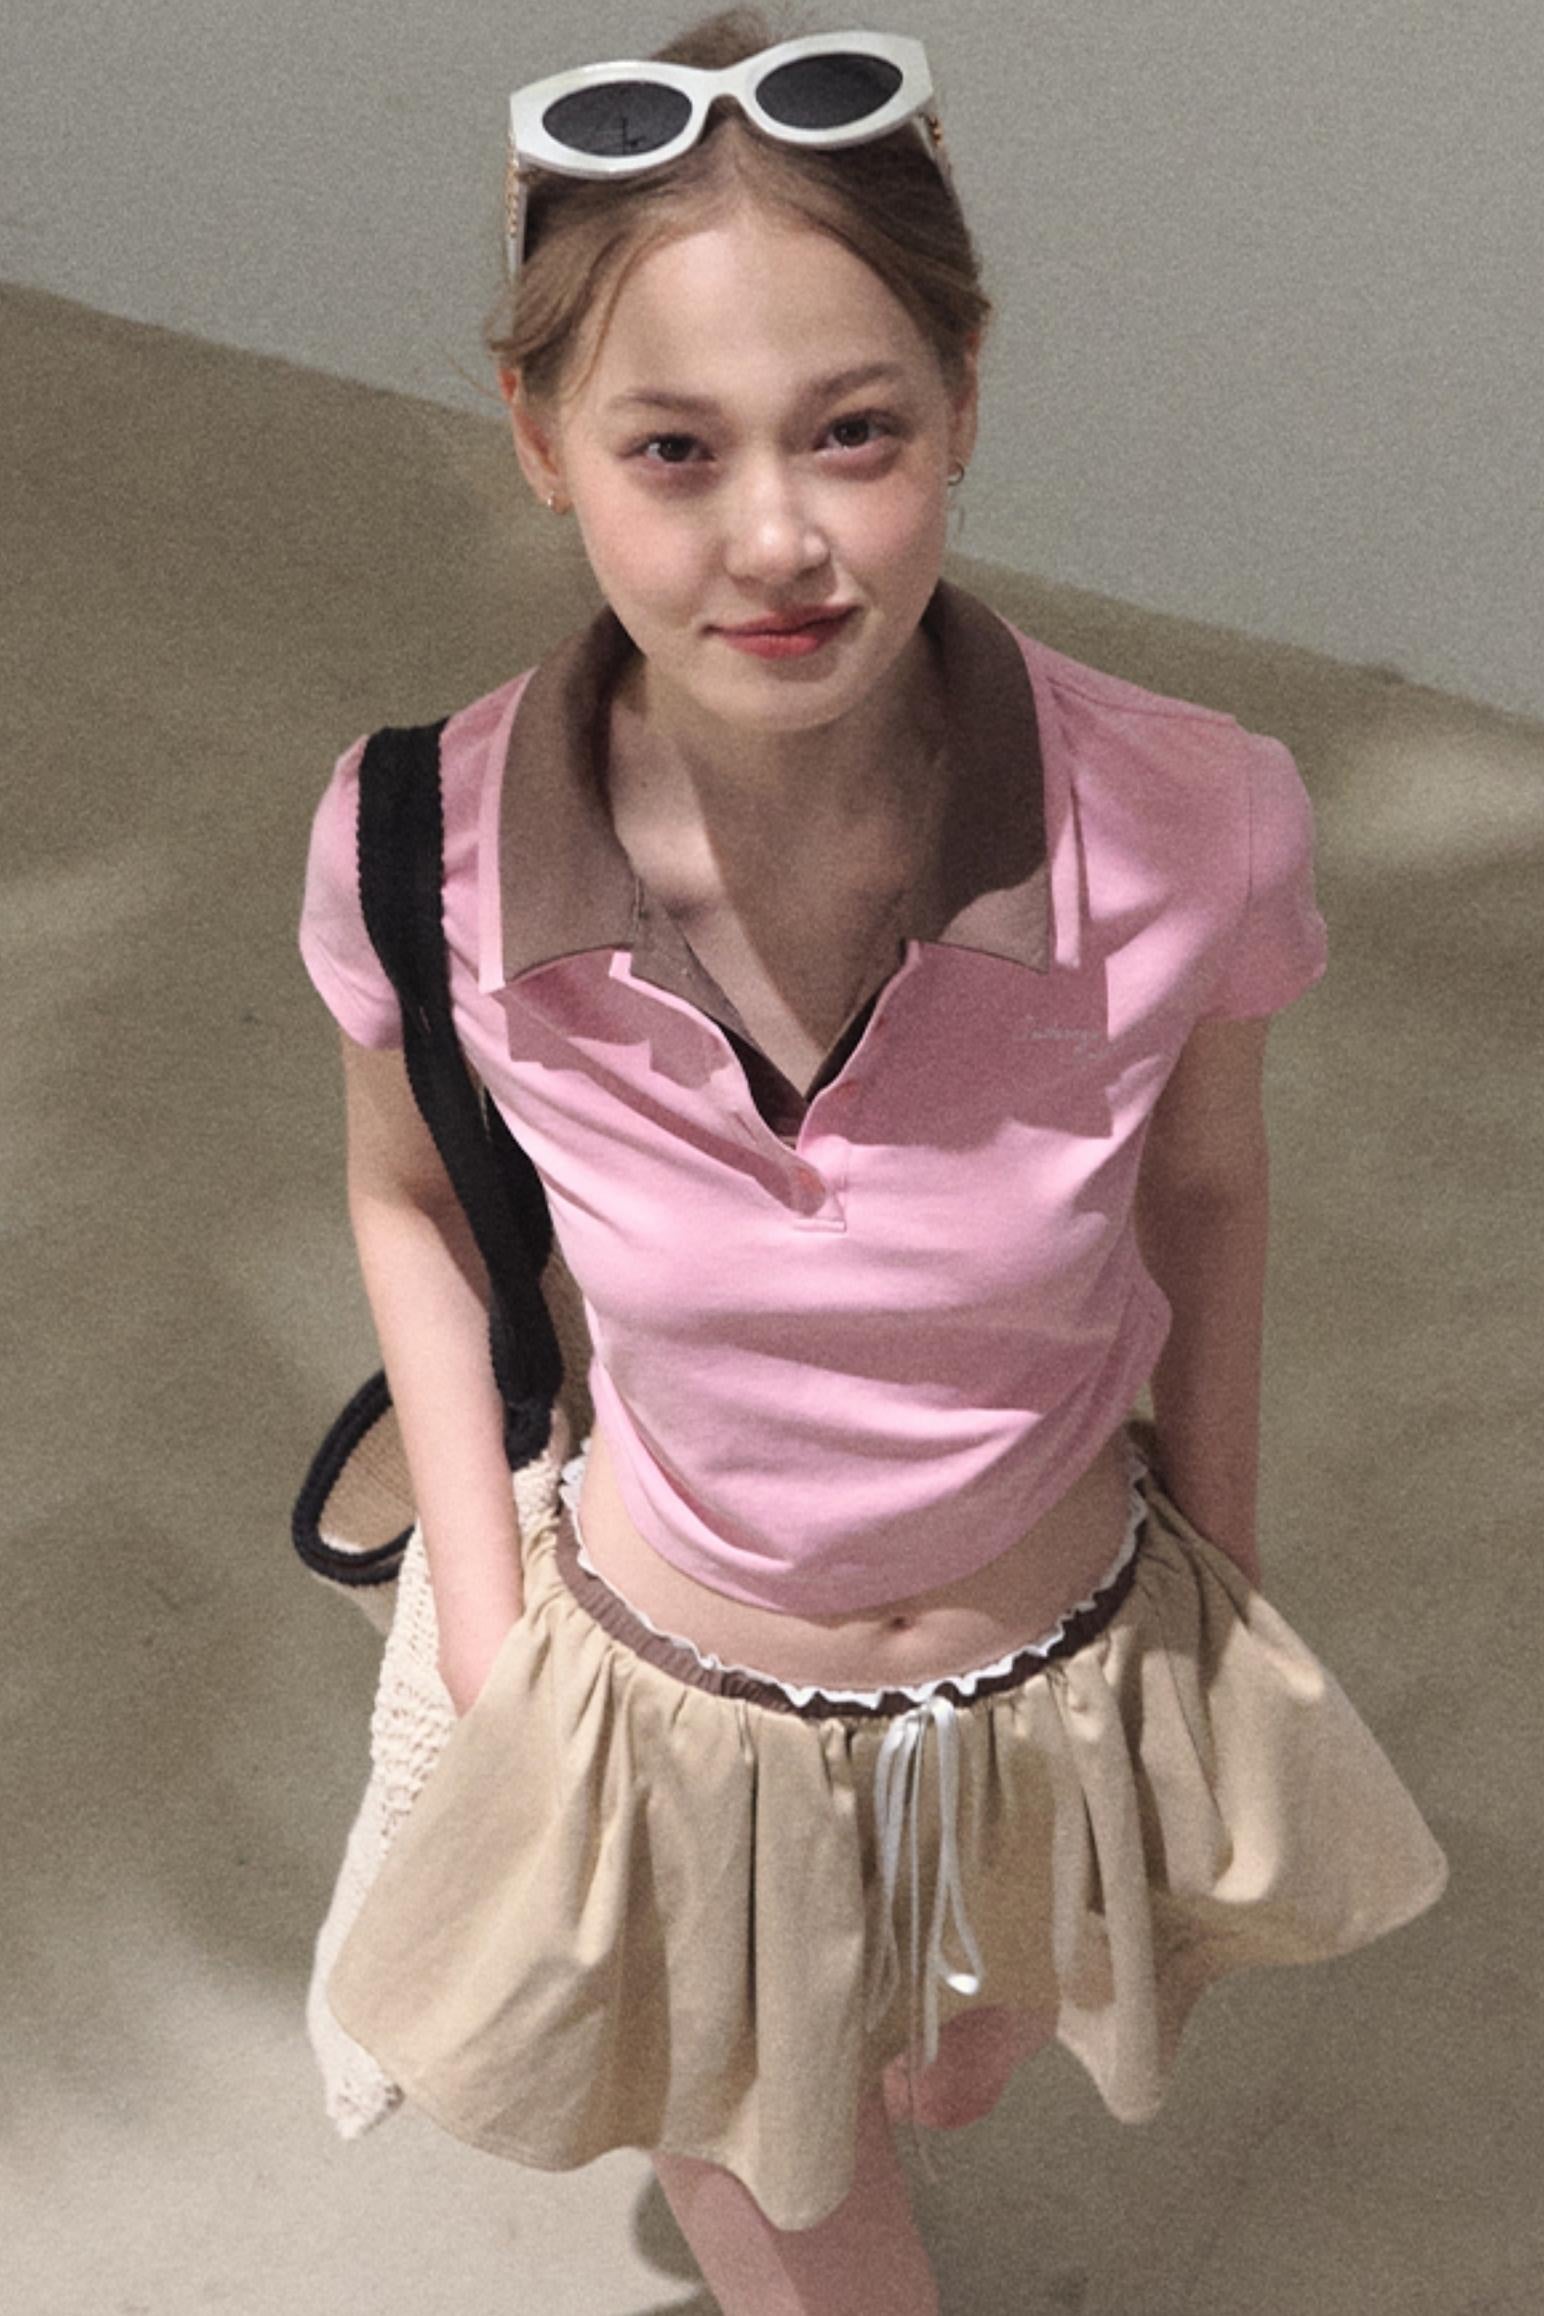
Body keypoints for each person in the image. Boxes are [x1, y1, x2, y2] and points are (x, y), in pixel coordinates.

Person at [296, 12, 1448, 2311]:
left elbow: (1207, 1194)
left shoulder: (1193, 822)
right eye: (671, 447)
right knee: (794, 2179)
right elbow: (410, 1194)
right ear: (537, 437)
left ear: (965, 396)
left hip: (1055, 1673)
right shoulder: (420, 851)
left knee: (945, 2056)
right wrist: (499, 1647)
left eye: (854, 430)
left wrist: (1223, 1586)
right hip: (673, 1712)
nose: (778, 539)